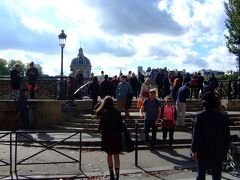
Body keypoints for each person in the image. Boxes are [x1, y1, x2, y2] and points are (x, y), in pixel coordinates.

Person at [191, 92, 230, 180]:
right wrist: (225, 150)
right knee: (217, 176)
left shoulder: (200, 116)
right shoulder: (223, 116)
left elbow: (196, 135)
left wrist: (194, 150)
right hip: (218, 150)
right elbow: (227, 135)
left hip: (203, 150)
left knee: (201, 174)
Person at [96, 96, 124, 180]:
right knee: (116, 156)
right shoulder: (117, 112)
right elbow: (121, 127)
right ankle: (117, 175)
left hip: (107, 136)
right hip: (116, 136)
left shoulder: (104, 113)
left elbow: (100, 127)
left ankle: (111, 174)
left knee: (109, 155)